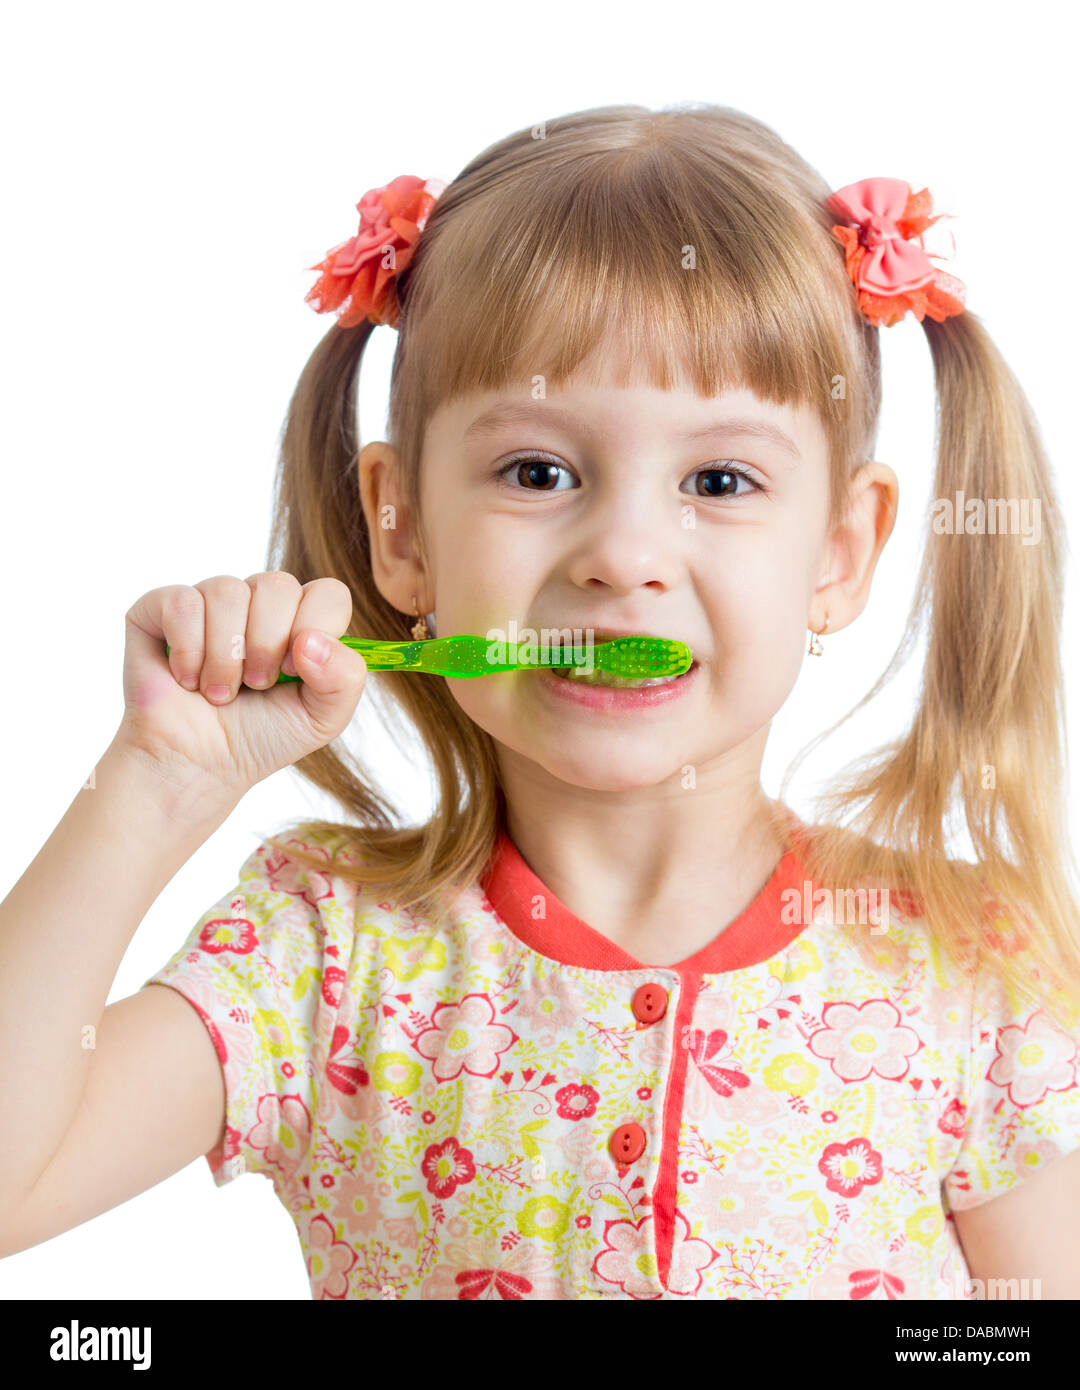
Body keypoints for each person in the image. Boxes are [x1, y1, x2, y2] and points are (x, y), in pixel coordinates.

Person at [2, 103, 1078, 1300]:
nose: (623, 553)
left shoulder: (965, 963)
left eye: (718, 479)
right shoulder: (327, 957)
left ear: (838, 551)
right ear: (399, 530)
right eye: (539, 471)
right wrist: (153, 785)